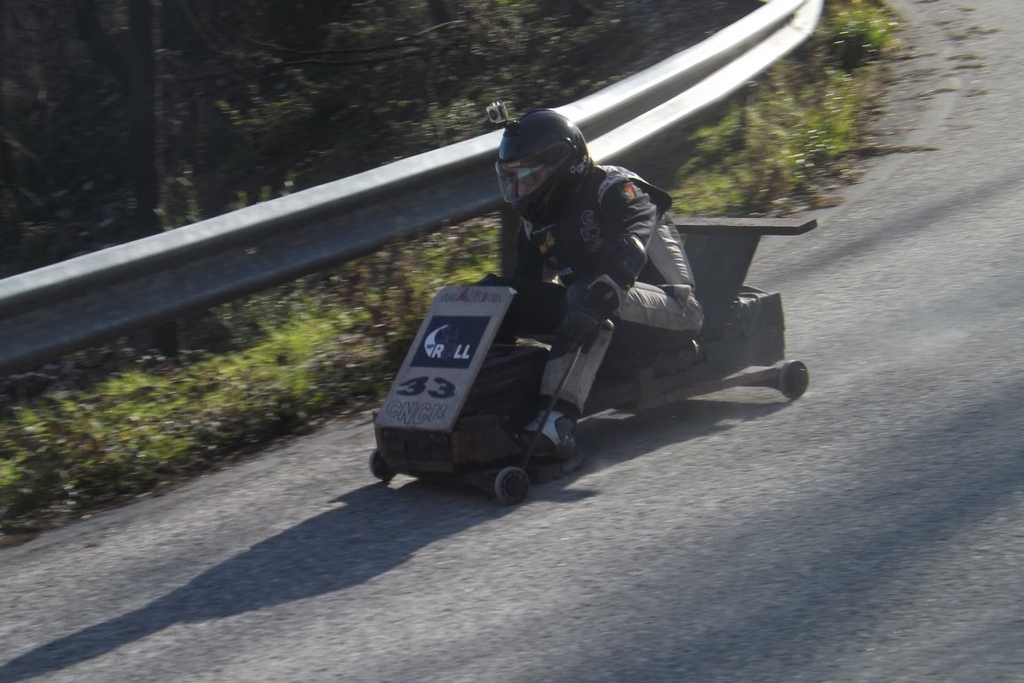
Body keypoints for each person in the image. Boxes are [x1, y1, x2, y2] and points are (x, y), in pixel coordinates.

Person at [479, 107, 704, 456]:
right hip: (597, 307)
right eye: (514, 179)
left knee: (590, 295)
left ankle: (556, 423)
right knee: (497, 297)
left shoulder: (616, 189)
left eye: (530, 177)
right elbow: (526, 291)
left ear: (563, 165)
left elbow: (631, 247)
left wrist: (594, 299)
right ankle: (479, 405)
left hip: (675, 311)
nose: (521, 189)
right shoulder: (535, 222)